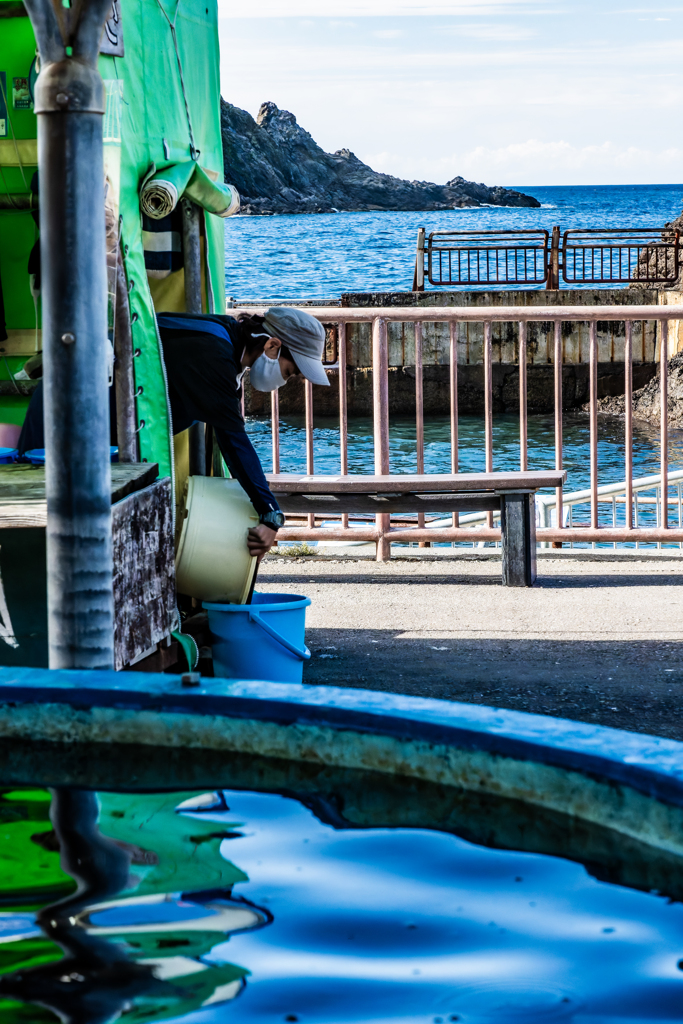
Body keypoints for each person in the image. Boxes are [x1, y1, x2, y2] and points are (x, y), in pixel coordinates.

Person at [17, 306, 329, 560]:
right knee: (36, 533)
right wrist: (270, 513)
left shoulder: (224, 337)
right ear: (272, 345)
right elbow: (232, 439)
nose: (285, 381)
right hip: (63, 415)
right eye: (290, 372)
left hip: (85, 424)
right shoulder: (213, 353)